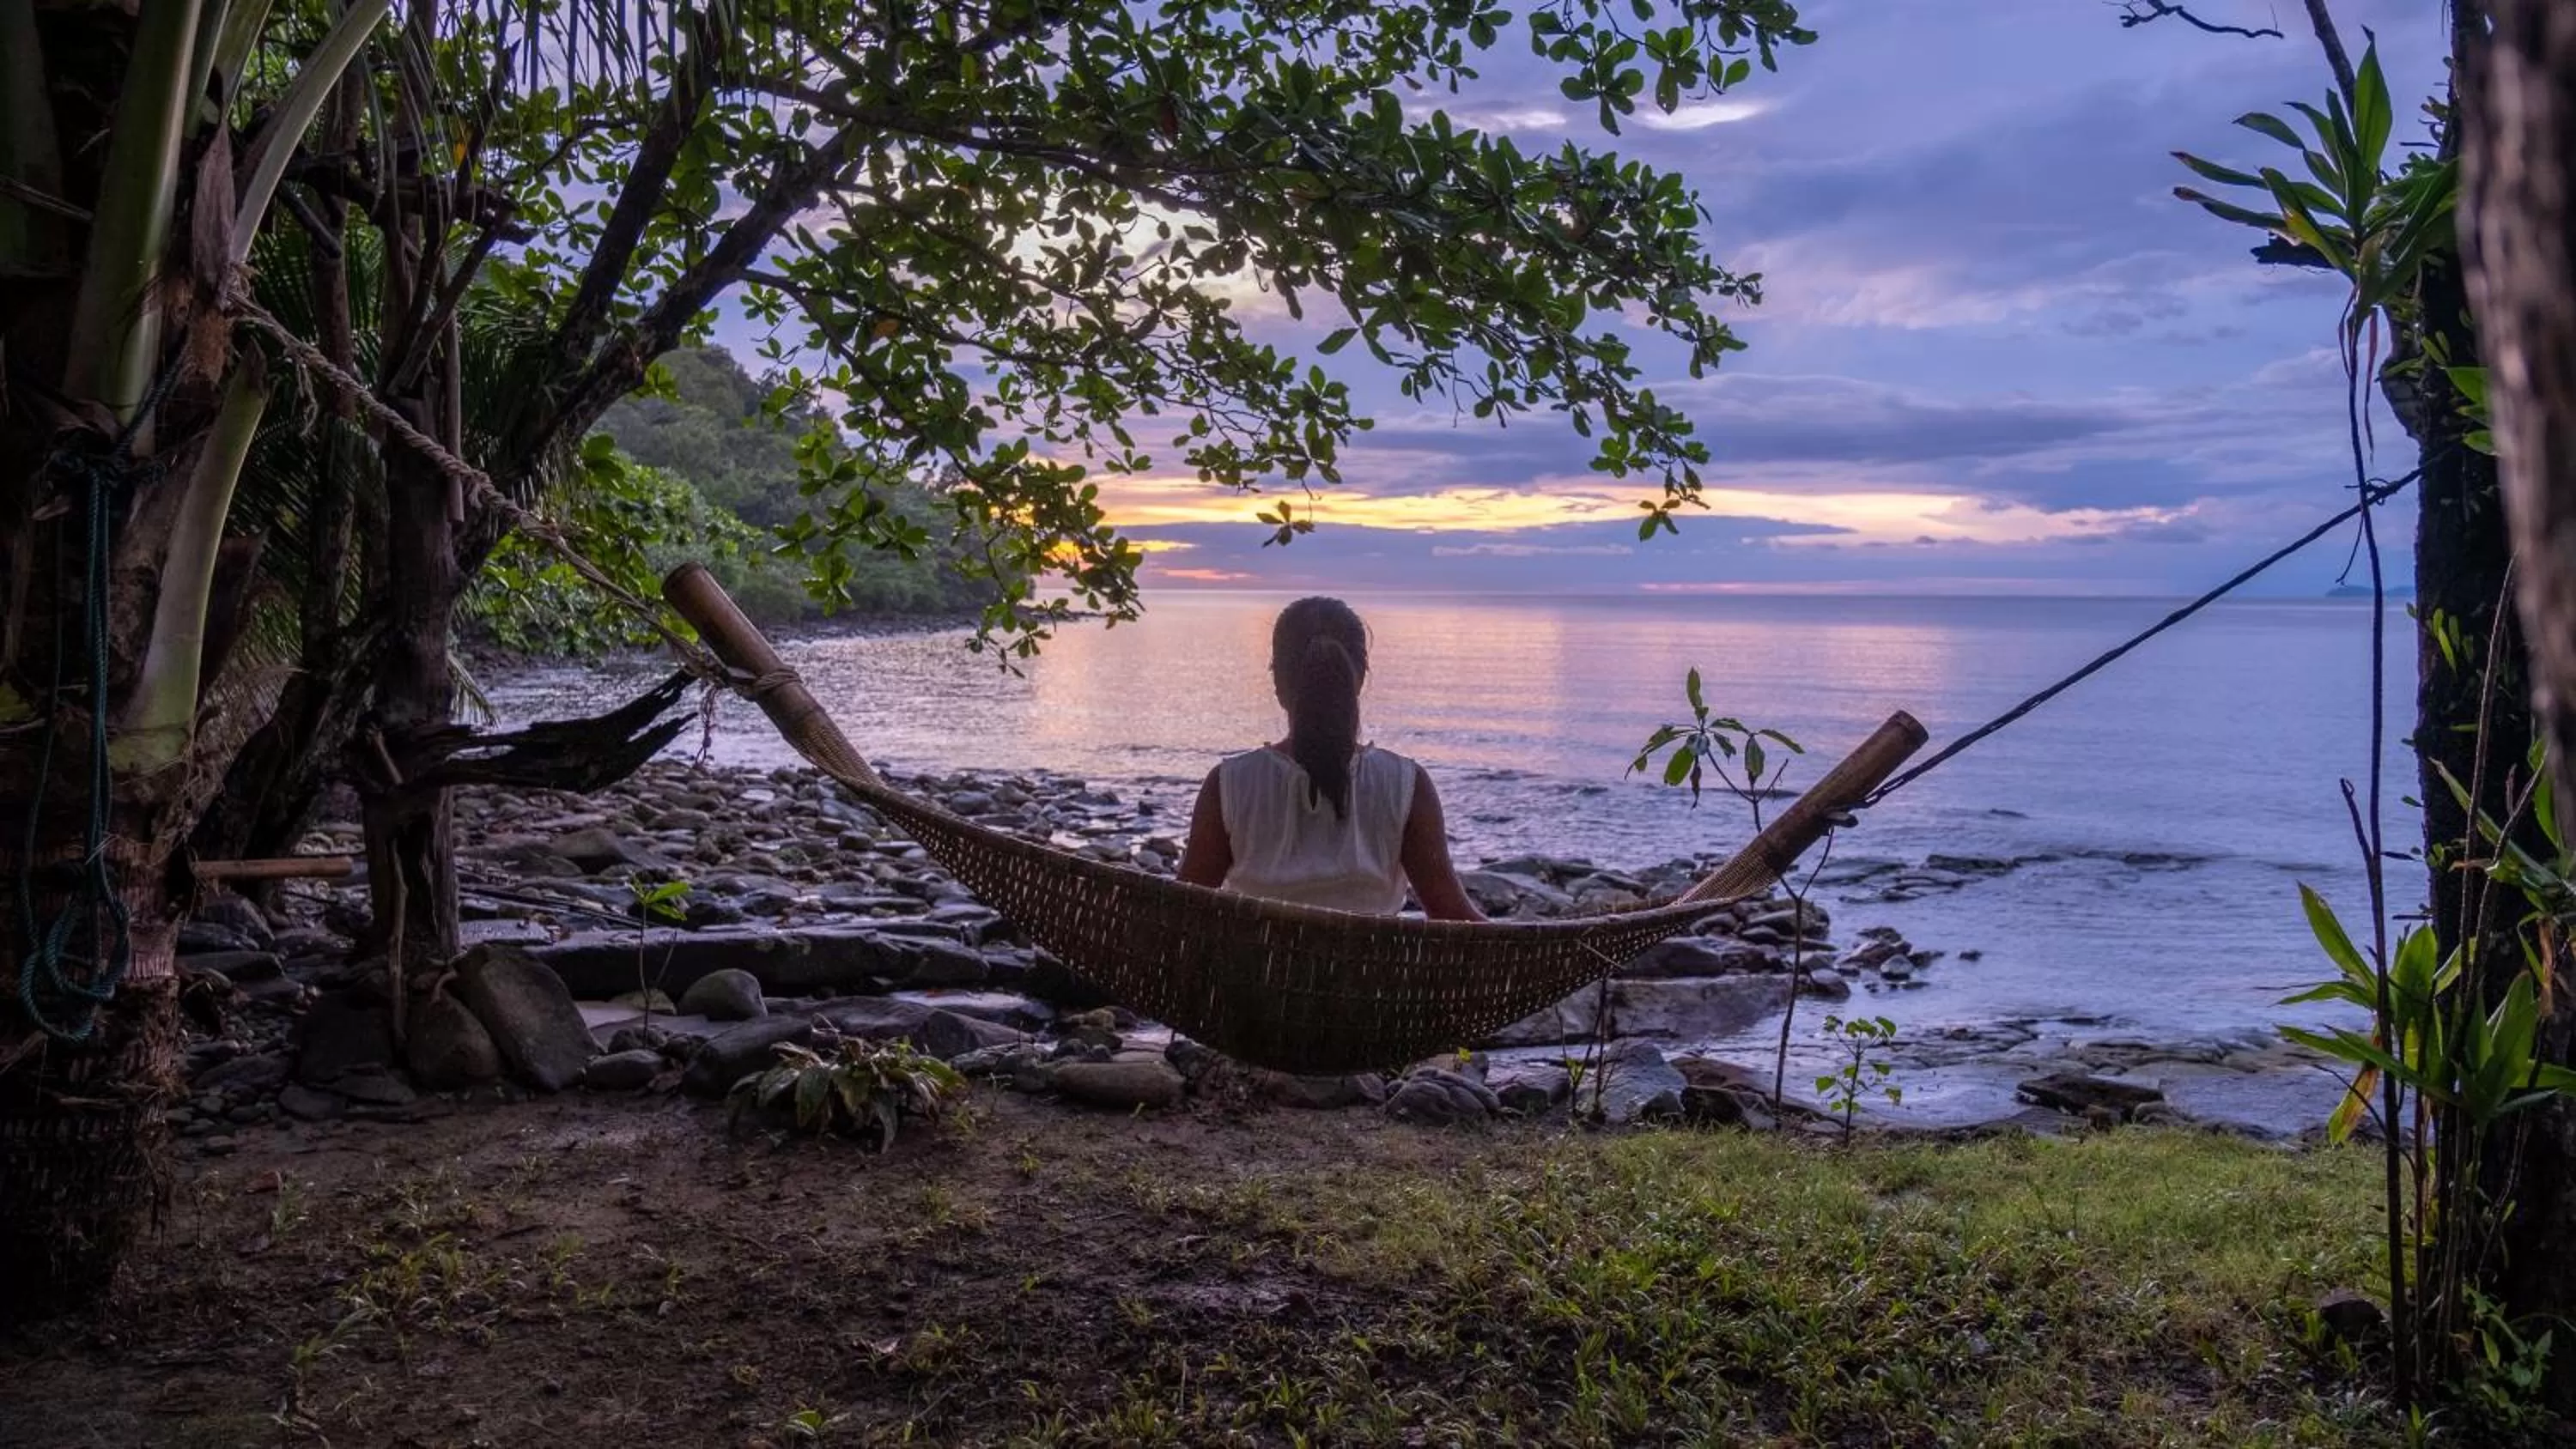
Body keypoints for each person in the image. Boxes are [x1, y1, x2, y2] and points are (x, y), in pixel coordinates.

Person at [1175, 597, 1485, 921]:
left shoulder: (1230, 786)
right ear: (1360, 678)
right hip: (1372, 973)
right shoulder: (1405, 786)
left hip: (1257, 973)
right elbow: (1455, 917)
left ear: (1277, 681)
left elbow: (1183, 916)